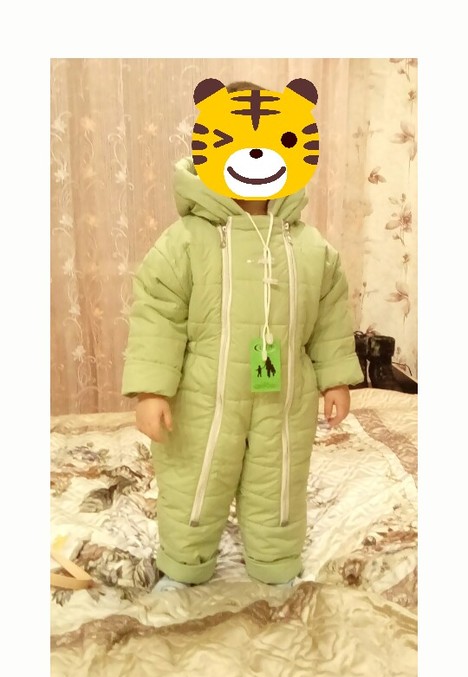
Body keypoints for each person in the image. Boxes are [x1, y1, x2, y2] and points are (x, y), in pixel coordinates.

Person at [122, 80, 363, 592]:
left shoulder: (313, 248)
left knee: (279, 479)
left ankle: (275, 562)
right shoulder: (186, 241)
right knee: (195, 474)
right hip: (203, 393)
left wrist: (336, 380)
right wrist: (151, 390)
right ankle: (184, 563)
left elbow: (330, 318)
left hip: (286, 394)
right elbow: (157, 315)